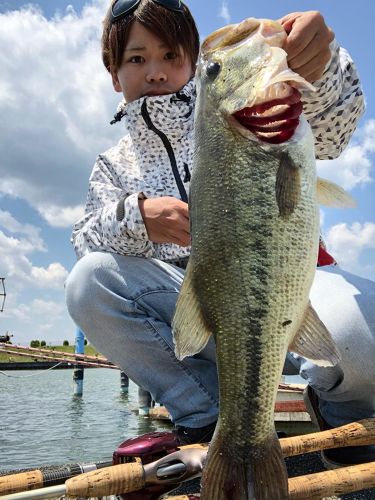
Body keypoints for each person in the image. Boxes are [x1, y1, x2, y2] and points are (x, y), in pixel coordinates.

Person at [65, 0, 374, 465]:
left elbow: (333, 132)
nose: (155, 71)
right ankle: (211, 420)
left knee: (361, 330)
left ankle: (345, 417)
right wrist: (137, 216)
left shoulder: (253, 109)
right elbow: (84, 242)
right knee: (88, 282)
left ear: (192, 65)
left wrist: (324, 64)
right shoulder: (114, 164)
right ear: (114, 74)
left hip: (288, 285)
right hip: (194, 311)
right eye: (137, 58)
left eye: (172, 56)